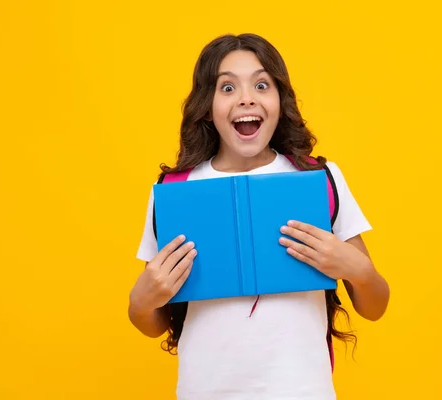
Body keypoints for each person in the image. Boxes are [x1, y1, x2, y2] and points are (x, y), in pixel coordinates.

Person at [128, 33, 390, 400]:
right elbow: (151, 322)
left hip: (303, 391)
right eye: (228, 87)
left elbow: (376, 306)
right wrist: (139, 303)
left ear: (280, 101)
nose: (246, 97)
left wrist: (356, 269)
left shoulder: (317, 179)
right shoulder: (176, 190)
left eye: (262, 84)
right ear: (207, 105)